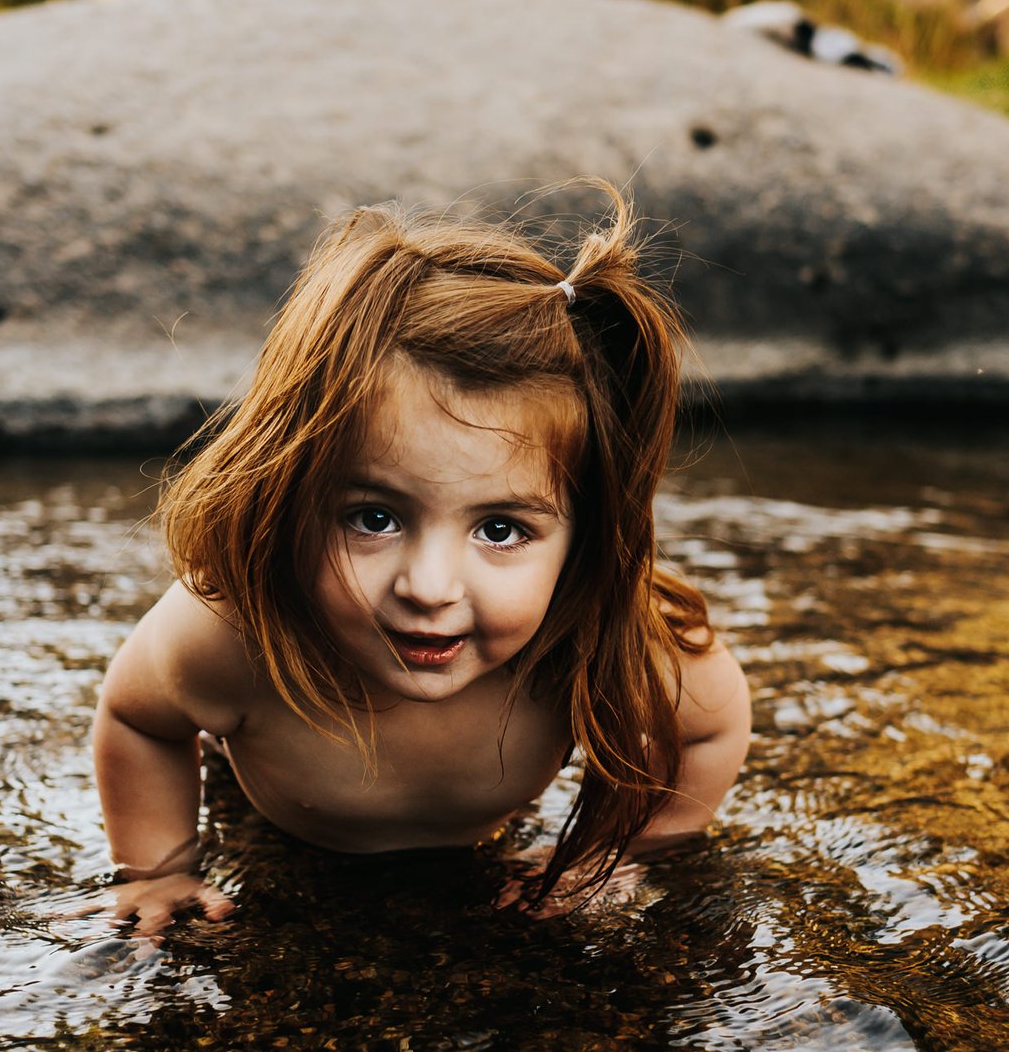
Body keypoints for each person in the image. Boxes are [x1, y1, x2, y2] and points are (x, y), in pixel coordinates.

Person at [85, 186, 751, 935]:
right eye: (374, 518)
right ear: (287, 495)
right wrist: (159, 868)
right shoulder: (232, 632)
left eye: (501, 530)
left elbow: (712, 728)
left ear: (585, 541)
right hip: (276, 831)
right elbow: (139, 719)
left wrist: (624, 852)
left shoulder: (604, 635)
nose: (430, 588)